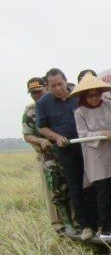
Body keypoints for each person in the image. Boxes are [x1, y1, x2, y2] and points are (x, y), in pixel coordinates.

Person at [36, 68, 98, 240]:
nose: (57, 88)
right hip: (66, 149)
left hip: (87, 145)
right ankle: (85, 226)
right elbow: (41, 127)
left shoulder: (79, 95)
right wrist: (57, 137)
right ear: (47, 87)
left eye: (60, 84)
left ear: (66, 81)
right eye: (53, 86)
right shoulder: (43, 103)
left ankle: (98, 223)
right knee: (75, 187)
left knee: (93, 184)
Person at [71, 74, 111, 239]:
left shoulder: (107, 105)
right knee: (104, 192)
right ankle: (106, 228)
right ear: (84, 97)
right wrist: (102, 133)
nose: (94, 99)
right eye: (90, 96)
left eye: (97, 94)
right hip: (96, 157)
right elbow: (83, 134)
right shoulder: (80, 112)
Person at [22, 77, 70, 234]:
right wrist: (41, 140)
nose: (36, 95)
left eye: (39, 91)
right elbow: (27, 135)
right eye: (33, 93)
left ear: (46, 88)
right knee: (56, 187)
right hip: (49, 154)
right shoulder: (30, 111)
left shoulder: (60, 103)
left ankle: (78, 222)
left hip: (68, 150)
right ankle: (63, 224)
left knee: (74, 186)